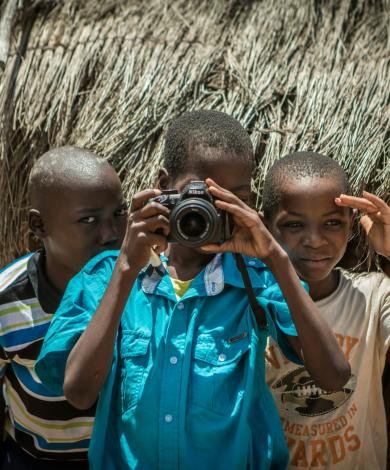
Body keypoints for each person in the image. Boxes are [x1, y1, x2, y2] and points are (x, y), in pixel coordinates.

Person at [35, 111, 349, 470]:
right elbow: (78, 392)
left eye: (234, 199)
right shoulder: (107, 276)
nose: (213, 212)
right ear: (164, 184)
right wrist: (125, 268)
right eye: (200, 194)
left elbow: (333, 376)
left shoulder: (256, 278)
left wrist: (275, 257)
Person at [0, 147, 127, 469]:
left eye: (119, 213)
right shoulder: (8, 301)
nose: (111, 233)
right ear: (39, 225)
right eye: (88, 220)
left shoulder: (138, 288)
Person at [263, 151, 390, 469]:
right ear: (265, 226)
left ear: (351, 225)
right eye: (294, 224)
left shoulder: (373, 296)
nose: (314, 240)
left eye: (332, 223)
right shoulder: (251, 306)